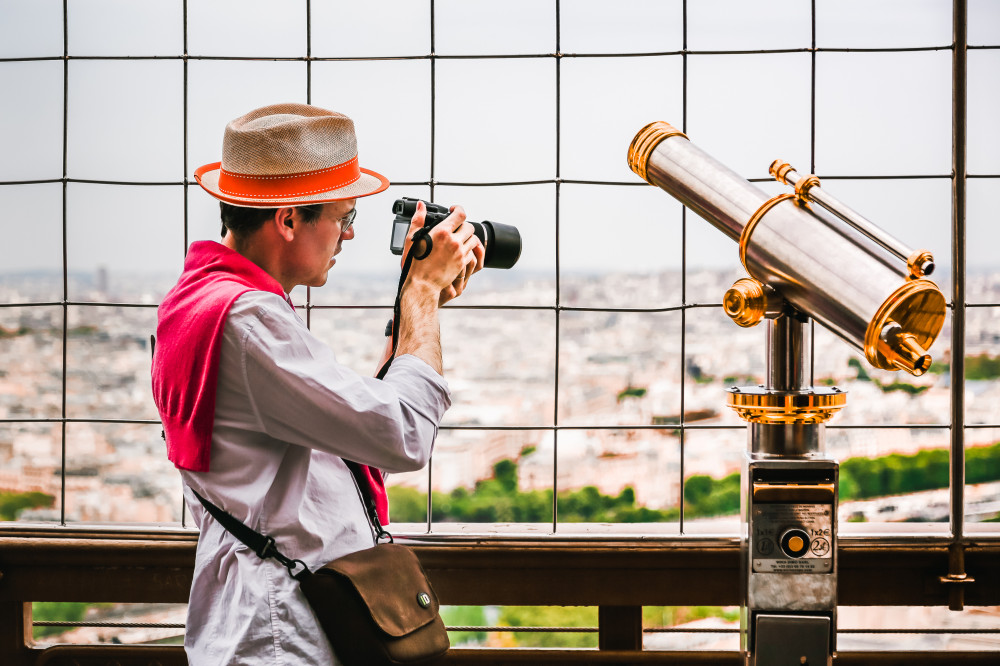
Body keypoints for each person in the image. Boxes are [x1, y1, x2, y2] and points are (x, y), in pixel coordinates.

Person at [150, 102, 484, 665]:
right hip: (282, 632)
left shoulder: (199, 303)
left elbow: (353, 420)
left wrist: (411, 311)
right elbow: (401, 434)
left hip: (253, 615)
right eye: (343, 216)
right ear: (287, 220)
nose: (349, 235)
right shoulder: (249, 323)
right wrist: (422, 296)